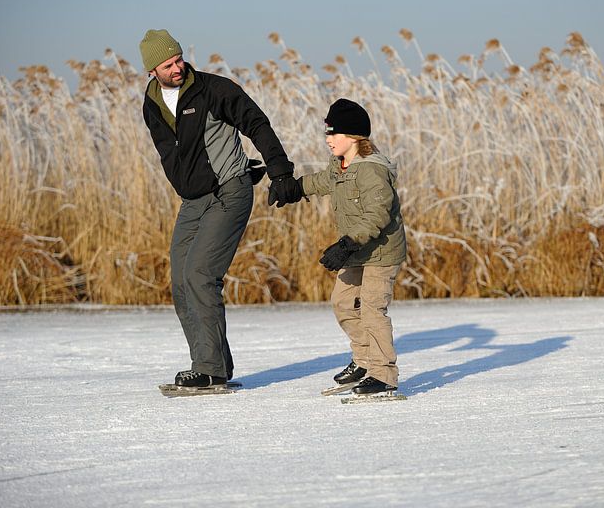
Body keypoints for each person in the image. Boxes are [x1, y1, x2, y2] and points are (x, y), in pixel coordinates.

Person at [139, 29, 302, 388]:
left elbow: (256, 123)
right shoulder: (151, 103)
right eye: (168, 64)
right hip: (193, 202)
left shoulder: (213, 89)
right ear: (152, 70)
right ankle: (211, 365)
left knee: (200, 274)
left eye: (179, 58)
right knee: (181, 282)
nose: (177, 67)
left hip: (229, 193)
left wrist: (280, 171)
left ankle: (210, 368)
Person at [297, 99, 407, 394]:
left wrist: (346, 244)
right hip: (356, 250)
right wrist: (295, 188)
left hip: (381, 252)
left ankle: (383, 374)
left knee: (372, 309)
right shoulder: (339, 165)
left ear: (355, 137)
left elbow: (378, 214)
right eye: (326, 134)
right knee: (343, 303)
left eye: (334, 134)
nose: (328, 140)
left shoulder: (372, 170)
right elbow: (324, 181)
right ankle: (364, 360)